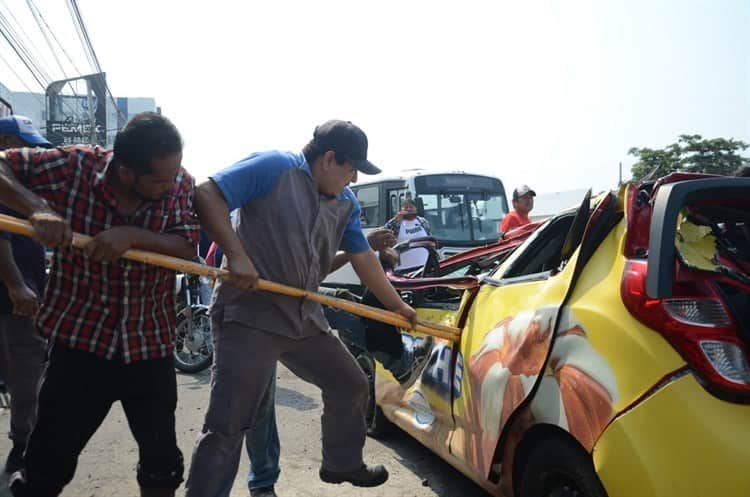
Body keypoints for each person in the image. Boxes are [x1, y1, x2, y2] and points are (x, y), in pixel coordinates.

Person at [185, 120, 418, 497]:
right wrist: (237, 256)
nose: (354, 177)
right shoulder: (275, 168)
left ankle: (341, 463)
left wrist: (399, 306)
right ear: (329, 159)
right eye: (350, 167)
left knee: (351, 384)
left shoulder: (345, 203)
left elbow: (363, 257)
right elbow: (207, 193)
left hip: (304, 316)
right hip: (250, 316)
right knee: (229, 423)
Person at [0, 112, 200, 497]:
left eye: (174, 175)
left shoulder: (178, 184)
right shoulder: (73, 167)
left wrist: (131, 236)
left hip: (149, 345)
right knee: (46, 465)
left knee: (162, 466)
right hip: (80, 344)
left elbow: (187, 247)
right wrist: (36, 207)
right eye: (159, 179)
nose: (172, 184)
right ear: (126, 172)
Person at [0, 116, 50, 475]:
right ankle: (24, 449)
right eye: (25, 144)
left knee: (27, 374)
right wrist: (16, 285)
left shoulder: (22, 191)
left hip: (25, 295)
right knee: (25, 377)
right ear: (4, 142)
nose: (33, 153)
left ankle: (24, 445)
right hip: (12, 299)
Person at [384, 198, 432, 272]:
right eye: (406, 207)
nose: (409, 209)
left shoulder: (423, 222)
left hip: (424, 266)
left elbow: (430, 239)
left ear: (416, 209)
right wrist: (395, 221)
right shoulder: (396, 222)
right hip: (403, 268)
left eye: (411, 207)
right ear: (401, 209)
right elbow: (385, 234)